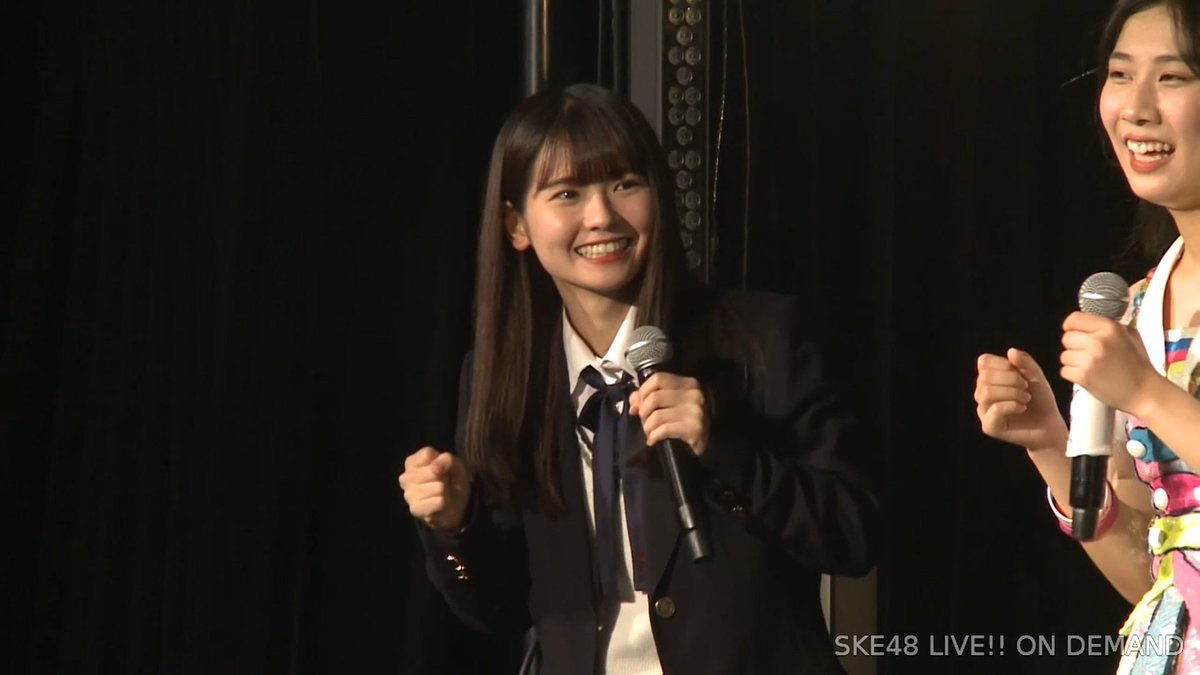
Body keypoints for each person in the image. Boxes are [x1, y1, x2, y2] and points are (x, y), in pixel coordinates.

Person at [398, 83, 877, 674]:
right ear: (516, 225)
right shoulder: (504, 375)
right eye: (567, 193)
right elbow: (499, 608)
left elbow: (854, 536)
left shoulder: (760, 338)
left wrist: (723, 449)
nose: (601, 216)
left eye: (625, 184)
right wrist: (455, 525)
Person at [974, 1, 1200, 671]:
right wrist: (1052, 442)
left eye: (1172, 77)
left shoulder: (1138, 367)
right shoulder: (1140, 307)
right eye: (1120, 74)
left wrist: (1147, 393)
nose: (1135, 108)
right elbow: (1153, 576)